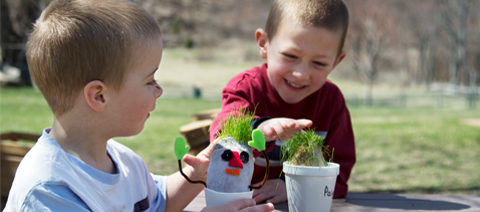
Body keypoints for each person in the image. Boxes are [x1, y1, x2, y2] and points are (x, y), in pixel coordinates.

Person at [3, 0, 274, 211]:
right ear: (99, 96)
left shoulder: (123, 160)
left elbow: (160, 202)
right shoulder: (50, 189)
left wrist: (196, 173)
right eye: (150, 80)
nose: (159, 90)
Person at [209, 0, 355, 204]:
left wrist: (294, 187)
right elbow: (221, 136)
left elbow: (338, 174)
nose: (301, 74)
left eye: (319, 63)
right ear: (263, 44)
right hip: (241, 203)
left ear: (336, 62)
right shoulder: (245, 88)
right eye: (290, 56)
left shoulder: (331, 101)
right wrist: (260, 127)